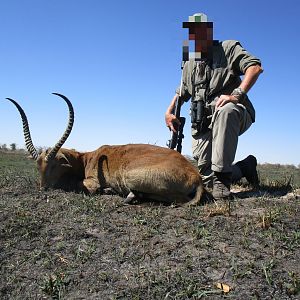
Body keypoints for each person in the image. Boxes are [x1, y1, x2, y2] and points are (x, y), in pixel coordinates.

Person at [165, 13, 263, 200]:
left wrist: (237, 95)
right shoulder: (188, 62)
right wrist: (169, 111)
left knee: (226, 111)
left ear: (209, 30)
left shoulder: (228, 48)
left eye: (202, 29)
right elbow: (182, 92)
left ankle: (223, 180)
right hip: (203, 123)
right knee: (206, 180)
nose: (197, 34)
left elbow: (255, 67)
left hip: (233, 113)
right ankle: (245, 167)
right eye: (193, 31)